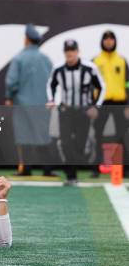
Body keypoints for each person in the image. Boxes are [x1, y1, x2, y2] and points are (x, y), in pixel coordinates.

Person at [47, 39, 105, 186]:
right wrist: (51, 99)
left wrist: (96, 106)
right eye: (67, 51)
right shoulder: (58, 68)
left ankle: (73, 168)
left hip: (83, 111)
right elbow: (51, 84)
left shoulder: (89, 68)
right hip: (65, 110)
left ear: (77, 51)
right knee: (65, 142)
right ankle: (71, 176)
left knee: (80, 143)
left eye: (72, 51)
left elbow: (102, 87)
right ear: (64, 52)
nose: (70, 54)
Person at [5, 24, 55, 176]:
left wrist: (9, 97)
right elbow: (53, 81)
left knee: (24, 135)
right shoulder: (46, 59)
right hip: (43, 103)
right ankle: (47, 169)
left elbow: (11, 82)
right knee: (43, 134)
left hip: (22, 103)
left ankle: (26, 169)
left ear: (26, 39)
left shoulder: (19, 58)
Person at [92, 30, 128, 177]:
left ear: (115, 41)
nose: (108, 41)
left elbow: (128, 84)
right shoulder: (95, 61)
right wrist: (93, 105)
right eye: (106, 39)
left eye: (111, 39)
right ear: (102, 41)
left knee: (123, 135)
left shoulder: (122, 60)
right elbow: (90, 85)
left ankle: (124, 168)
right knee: (97, 135)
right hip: (102, 102)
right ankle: (95, 169)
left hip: (120, 103)